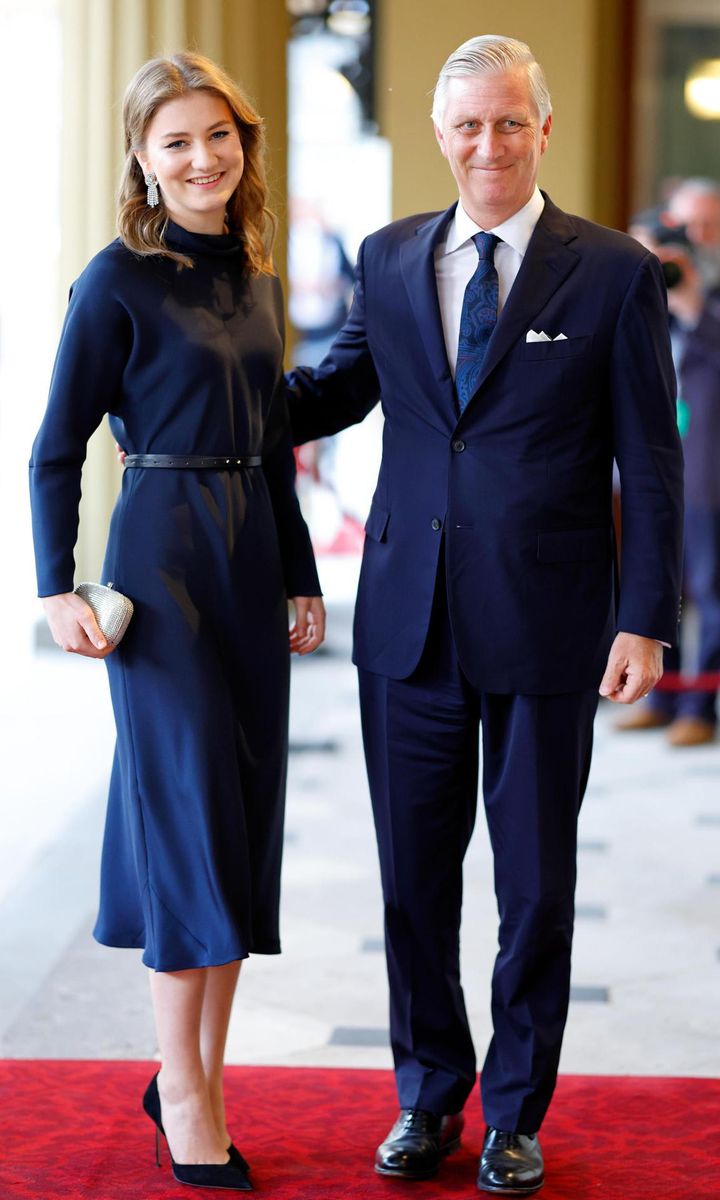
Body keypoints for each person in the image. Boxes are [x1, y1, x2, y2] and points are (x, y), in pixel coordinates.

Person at [286, 34, 683, 1196]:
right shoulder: (390, 257)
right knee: (413, 883)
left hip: (551, 621)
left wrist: (646, 616)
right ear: (439, 133)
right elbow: (325, 393)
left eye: (510, 122)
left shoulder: (613, 271)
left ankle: (514, 1111)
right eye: (468, 124)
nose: (488, 144)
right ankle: (427, 1099)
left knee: (534, 884)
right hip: (406, 622)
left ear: (543, 129)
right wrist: (183, 370)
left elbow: (648, 465)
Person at [29, 52, 325, 1192]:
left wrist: (300, 574)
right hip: (160, 558)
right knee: (188, 816)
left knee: (242, 818)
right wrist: (54, 583)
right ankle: (185, 1090)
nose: (202, 158)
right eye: (175, 143)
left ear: (244, 144)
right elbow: (56, 444)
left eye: (218, 136)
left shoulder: (257, 278)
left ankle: (198, 1073)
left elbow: (274, 443)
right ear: (143, 162)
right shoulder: (114, 281)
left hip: (250, 548)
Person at [618, 182, 720, 745]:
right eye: (688, 226)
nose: (699, 237)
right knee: (660, 581)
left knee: (709, 590)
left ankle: (698, 710)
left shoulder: (707, 295)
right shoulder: (644, 278)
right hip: (658, 468)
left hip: (709, 472)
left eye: (709, 225)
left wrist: (695, 301)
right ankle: (660, 697)